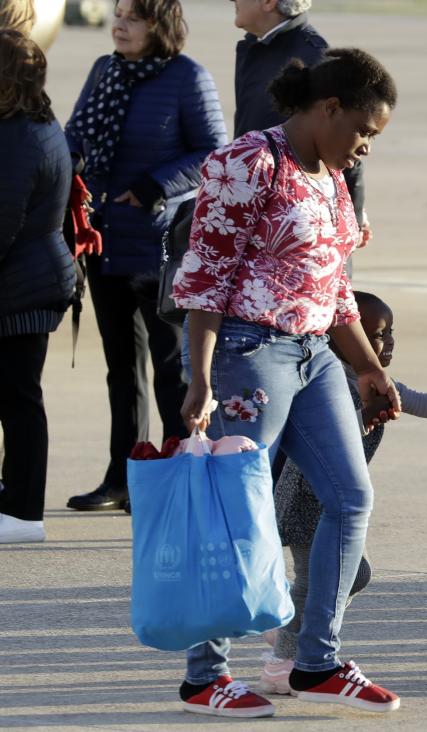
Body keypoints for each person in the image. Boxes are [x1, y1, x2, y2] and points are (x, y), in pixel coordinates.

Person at [172, 49, 401, 717]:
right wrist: (201, 378)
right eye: (364, 130)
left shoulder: (329, 176)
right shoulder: (249, 162)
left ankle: (316, 662)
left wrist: (368, 366)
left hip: (315, 356)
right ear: (328, 108)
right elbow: (206, 276)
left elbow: (337, 293)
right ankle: (203, 677)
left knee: (351, 497)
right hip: (250, 353)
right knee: (238, 514)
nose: (363, 148)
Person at [260, 291, 427, 694]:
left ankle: (290, 630)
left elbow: (418, 402)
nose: (387, 343)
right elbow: (327, 445)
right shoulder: (326, 382)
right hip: (308, 504)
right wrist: (363, 418)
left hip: (333, 503)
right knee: (312, 584)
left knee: (353, 574)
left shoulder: (373, 380)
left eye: (391, 334)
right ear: (338, 339)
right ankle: (283, 661)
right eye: (376, 334)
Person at [63, 0, 227, 512]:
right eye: (117, 15)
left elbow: (212, 152)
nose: (119, 25)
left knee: (171, 368)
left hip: (159, 245)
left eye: (132, 17)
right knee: (120, 369)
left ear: (160, 26)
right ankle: (125, 478)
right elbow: (75, 135)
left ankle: (182, 475)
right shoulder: (105, 70)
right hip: (106, 241)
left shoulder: (187, 78)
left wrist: (154, 184)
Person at [0, 30, 76, 544]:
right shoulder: (26, 123)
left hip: (23, 286)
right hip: (25, 279)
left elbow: (2, 219)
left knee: (19, 399)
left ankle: (24, 512)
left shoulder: (22, 136)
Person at [231, 0, 370, 253]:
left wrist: (354, 214)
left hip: (302, 223)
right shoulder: (254, 48)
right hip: (254, 208)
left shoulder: (314, 57)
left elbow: (348, 142)